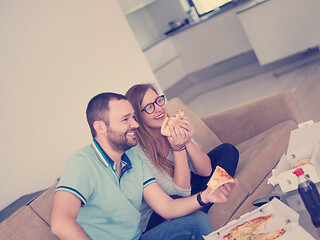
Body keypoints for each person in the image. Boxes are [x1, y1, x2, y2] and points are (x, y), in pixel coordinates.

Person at [50, 92, 238, 240]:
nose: (135, 124)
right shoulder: (82, 162)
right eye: (126, 119)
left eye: (133, 117)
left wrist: (205, 196)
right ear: (100, 127)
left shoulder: (132, 158)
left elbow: (167, 207)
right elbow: (60, 223)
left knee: (198, 221)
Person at [125, 84, 239, 233]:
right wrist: (178, 149)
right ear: (138, 117)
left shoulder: (173, 126)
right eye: (149, 107)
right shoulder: (138, 152)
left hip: (189, 187)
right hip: (163, 210)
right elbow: (179, 194)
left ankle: (207, 198)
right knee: (178, 198)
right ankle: (204, 202)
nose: (159, 108)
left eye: (158, 101)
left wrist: (187, 141)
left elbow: (206, 171)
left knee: (227, 150)